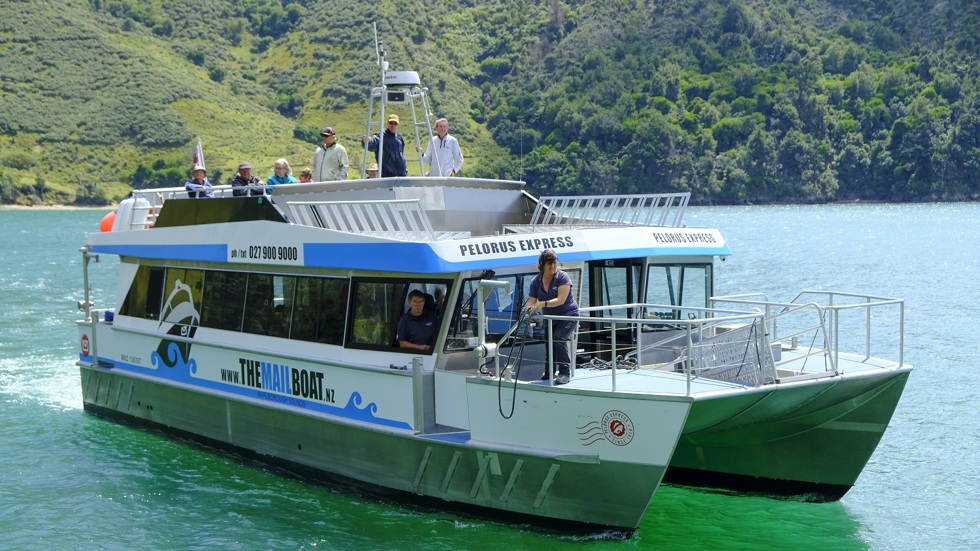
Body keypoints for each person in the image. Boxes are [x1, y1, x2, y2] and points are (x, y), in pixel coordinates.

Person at [526, 249, 579, 385]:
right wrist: (529, 309)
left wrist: (542, 304)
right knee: (549, 343)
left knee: (558, 337)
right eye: (550, 264)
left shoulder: (563, 277)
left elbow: (561, 300)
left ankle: (564, 372)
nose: (553, 267)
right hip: (551, 318)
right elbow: (531, 300)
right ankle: (549, 373)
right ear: (542, 265)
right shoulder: (536, 281)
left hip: (569, 315)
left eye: (555, 263)